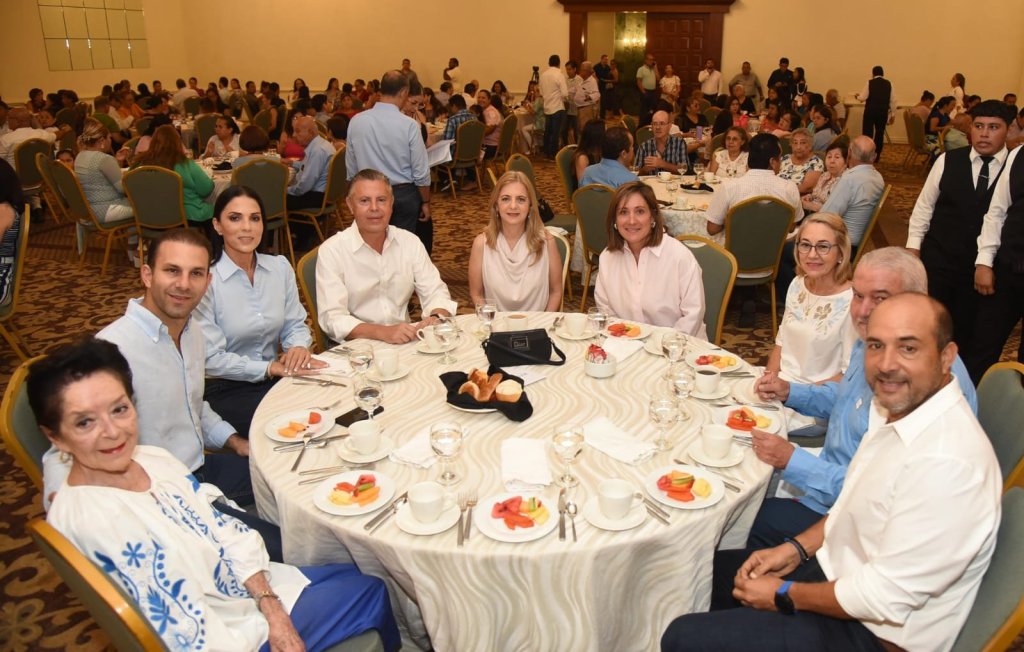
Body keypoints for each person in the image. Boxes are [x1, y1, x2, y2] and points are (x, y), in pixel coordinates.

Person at [664, 293, 1000, 652]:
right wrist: (794, 550)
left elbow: (884, 598)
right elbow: (853, 502)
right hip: (838, 572)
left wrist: (784, 593)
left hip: (873, 634)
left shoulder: (947, 462)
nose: (886, 364)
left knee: (683, 637)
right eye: (876, 345)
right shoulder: (900, 411)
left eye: (908, 348)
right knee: (685, 575)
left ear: (947, 357)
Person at [33, 338, 400, 651]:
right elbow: (181, 630)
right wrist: (275, 622)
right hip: (230, 636)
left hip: (245, 595)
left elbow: (222, 529)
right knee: (370, 590)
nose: (112, 432)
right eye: (85, 422)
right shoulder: (94, 520)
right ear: (54, 436)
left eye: (119, 409)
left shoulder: (152, 459)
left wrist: (268, 600)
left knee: (351, 570)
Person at [753, 247, 978, 548]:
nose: (862, 310)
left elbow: (877, 499)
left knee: (737, 524)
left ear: (917, 300)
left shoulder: (923, 387)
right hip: (832, 479)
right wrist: (791, 391)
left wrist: (793, 461)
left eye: (880, 298)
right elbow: (847, 397)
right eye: (858, 296)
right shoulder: (877, 341)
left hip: (853, 524)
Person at [195, 186, 327, 438]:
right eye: (235, 218)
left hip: (275, 379)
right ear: (217, 225)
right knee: (297, 426)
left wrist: (298, 347)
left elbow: (295, 324)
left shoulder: (279, 268)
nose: (247, 227)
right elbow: (212, 359)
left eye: (254, 218)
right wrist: (269, 368)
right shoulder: (206, 281)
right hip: (224, 388)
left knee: (332, 404)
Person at [907, 100, 1013, 354]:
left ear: (1008, 130)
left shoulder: (1015, 168)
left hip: (984, 270)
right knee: (928, 328)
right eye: (979, 126)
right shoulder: (948, 160)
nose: (984, 133)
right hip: (940, 260)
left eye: (993, 127)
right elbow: (924, 207)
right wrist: (913, 248)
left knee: (969, 335)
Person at [316, 169, 454, 344]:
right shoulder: (332, 251)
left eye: (381, 200)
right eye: (364, 201)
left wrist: (435, 316)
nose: (374, 208)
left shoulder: (409, 242)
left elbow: (435, 291)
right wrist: (382, 332)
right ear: (350, 205)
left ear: (391, 203)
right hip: (357, 348)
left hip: (404, 342)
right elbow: (332, 318)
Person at [595, 181, 706, 336]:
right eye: (623, 212)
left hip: (678, 345)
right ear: (615, 220)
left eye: (640, 211)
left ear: (653, 216)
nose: (631, 220)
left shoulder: (679, 256)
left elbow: (693, 315)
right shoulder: (608, 257)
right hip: (626, 344)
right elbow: (606, 312)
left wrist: (660, 345)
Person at [346, 71, 433, 253]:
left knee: (370, 245)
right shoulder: (409, 125)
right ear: (404, 92)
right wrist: (425, 201)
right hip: (402, 194)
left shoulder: (357, 121)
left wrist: (354, 197)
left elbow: (351, 167)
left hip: (367, 191)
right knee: (401, 249)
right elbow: (420, 172)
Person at [768, 213, 854, 385]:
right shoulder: (797, 284)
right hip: (781, 387)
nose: (812, 254)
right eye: (806, 245)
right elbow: (781, 342)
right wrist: (768, 379)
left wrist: (792, 393)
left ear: (841, 253)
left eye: (823, 247)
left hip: (817, 394)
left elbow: (849, 374)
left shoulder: (853, 301)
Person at [967, 144, 1024, 382]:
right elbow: (997, 211)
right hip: (1008, 267)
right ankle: (969, 400)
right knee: (983, 344)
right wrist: (984, 262)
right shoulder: (1019, 154)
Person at [468, 171, 562, 313]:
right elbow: (476, 294)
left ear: (530, 206)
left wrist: (544, 321)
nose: (513, 206)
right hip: (495, 323)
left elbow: (556, 291)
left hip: (538, 323)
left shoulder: (547, 243)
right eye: (506, 199)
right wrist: (491, 321)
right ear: (496, 205)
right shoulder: (481, 244)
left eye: (521, 199)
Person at [706, 133, 804, 236]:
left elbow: (712, 229)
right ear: (772, 162)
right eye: (779, 158)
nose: (781, 162)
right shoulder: (790, 188)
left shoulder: (729, 187)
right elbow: (791, 227)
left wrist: (731, 221)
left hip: (735, 246)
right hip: (773, 246)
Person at [132, 125, 214, 226]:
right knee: (220, 210)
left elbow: (128, 186)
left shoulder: (139, 163)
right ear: (178, 142)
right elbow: (206, 189)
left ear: (153, 141)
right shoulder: (185, 164)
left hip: (148, 218)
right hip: (186, 217)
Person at [820, 135, 885, 249]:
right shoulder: (879, 178)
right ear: (874, 156)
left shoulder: (849, 179)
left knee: (788, 248)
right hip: (855, 241)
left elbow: (825, 217)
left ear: (849, 153)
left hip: (840, 244)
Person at [73, 119, 134, 224]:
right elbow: (123, 189)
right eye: (109, 138)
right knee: (148, 203)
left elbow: (100, 179)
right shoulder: (104, 159)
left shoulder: (80, 155)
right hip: (106, 209)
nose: (111, 141)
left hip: (90, 210)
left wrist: (118, 161)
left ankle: (132, 235)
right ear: (102, 141)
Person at [855, 65, 896, 156]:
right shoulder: (889, 84)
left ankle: (866, 153)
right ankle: (877, 154)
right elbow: (893, 101)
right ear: (883, 74)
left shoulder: (869, 82)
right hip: (882, 113)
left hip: (870, 112)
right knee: (879, 133)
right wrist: (893, 114)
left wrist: (857, 96)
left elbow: (863, 97)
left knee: (867, 133)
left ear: (873, 74)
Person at [634, 110, 688, 175]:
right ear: (652, 126)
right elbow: (635, 173)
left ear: (669, 126)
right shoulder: (644, 146)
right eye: (655, 124)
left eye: (662, 123)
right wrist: (644, 170)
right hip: (651, 181)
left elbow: (684, 170)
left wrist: (663, 164)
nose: (658, 127)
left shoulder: (679, 143)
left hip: (673, 181)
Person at [801, 141, 847, 213]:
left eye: (837, 157)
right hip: (811, 211)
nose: (832, 161)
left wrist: (811, 206)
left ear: (846, 162)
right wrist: (809, 197)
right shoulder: (825, 175)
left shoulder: (846, 180)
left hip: (827, 216)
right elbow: (815, 194)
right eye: (829, 157)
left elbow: (835, 210)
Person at [539, 55, 568, 157]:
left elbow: (541, 92)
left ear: (549, 63)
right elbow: (565, 93)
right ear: (559, 63)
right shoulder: (559, 75)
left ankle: (546, 151)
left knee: (548, 131)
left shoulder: (543, 75)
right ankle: (553, 153)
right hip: (557, 107)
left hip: (547, 107)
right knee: (556, 132)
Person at [778, 129, 823, 194]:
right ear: (791, 145)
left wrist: (780, 191)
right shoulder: (785, 158)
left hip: (794, 197)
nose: (798, 147)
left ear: (810, 145)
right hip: (774, 194)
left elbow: (806, 188)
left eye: (803, 143)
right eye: (795, 143)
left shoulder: (815, 162)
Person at [574, 61, 601, 132]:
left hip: (586, 109)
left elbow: (597, 94)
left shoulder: (592, 81)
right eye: (581, 69)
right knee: (580, 129)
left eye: (582, 70)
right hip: (579, 108)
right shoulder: (581, 80)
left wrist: (589, 97)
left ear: (588, 71)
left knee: (584, 129)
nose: (580, 71)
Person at [636, 52, 661, 127]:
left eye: (652, 60)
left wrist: (655, 68)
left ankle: (650, 125)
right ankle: (641, 126)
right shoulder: (641, 69)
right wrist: (643, 92)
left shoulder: (653, 69)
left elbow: (658, 79)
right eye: (649, 59)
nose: (651, 61)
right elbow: (639, 81)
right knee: (644, 110)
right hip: (645, 91)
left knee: (652, 110)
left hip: (653, 92)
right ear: (646, 60)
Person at [477, 89, 502, 160]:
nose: (480, 100)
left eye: (483, 98)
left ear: (489, 100)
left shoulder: (491, 112)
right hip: (488, 144)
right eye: (479, 97)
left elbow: (489, 130)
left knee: (466, 150)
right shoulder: (485, 110)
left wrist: (474, 134)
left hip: (490, 147)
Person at [594, 54, 616, 119]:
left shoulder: (608, 67)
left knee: (604, 101)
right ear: (601, 59)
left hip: (605, 87)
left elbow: (611, 77)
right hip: (598, 86)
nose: (606, 61)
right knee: (597, 101)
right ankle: (596, 116)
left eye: (607, 60)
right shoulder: (596, 67)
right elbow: (593, 74)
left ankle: (602, 116)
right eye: (605, 59)